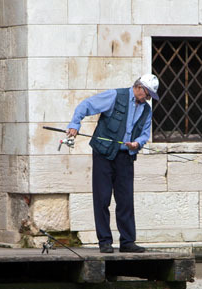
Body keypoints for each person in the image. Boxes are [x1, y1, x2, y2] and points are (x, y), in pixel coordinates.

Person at [66, 75, 159, 253]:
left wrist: (137, 143)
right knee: (102, 198)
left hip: (125, 157)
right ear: (139, 87)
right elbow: (86, 105)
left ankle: (127, 242)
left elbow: (145, 134)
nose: (148, 99)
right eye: (147, 94)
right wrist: (75, 124)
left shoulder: (147, 110)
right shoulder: (115, 96)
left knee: (125, 200)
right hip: (104, 154)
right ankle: (105, 241)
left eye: (150, 97)